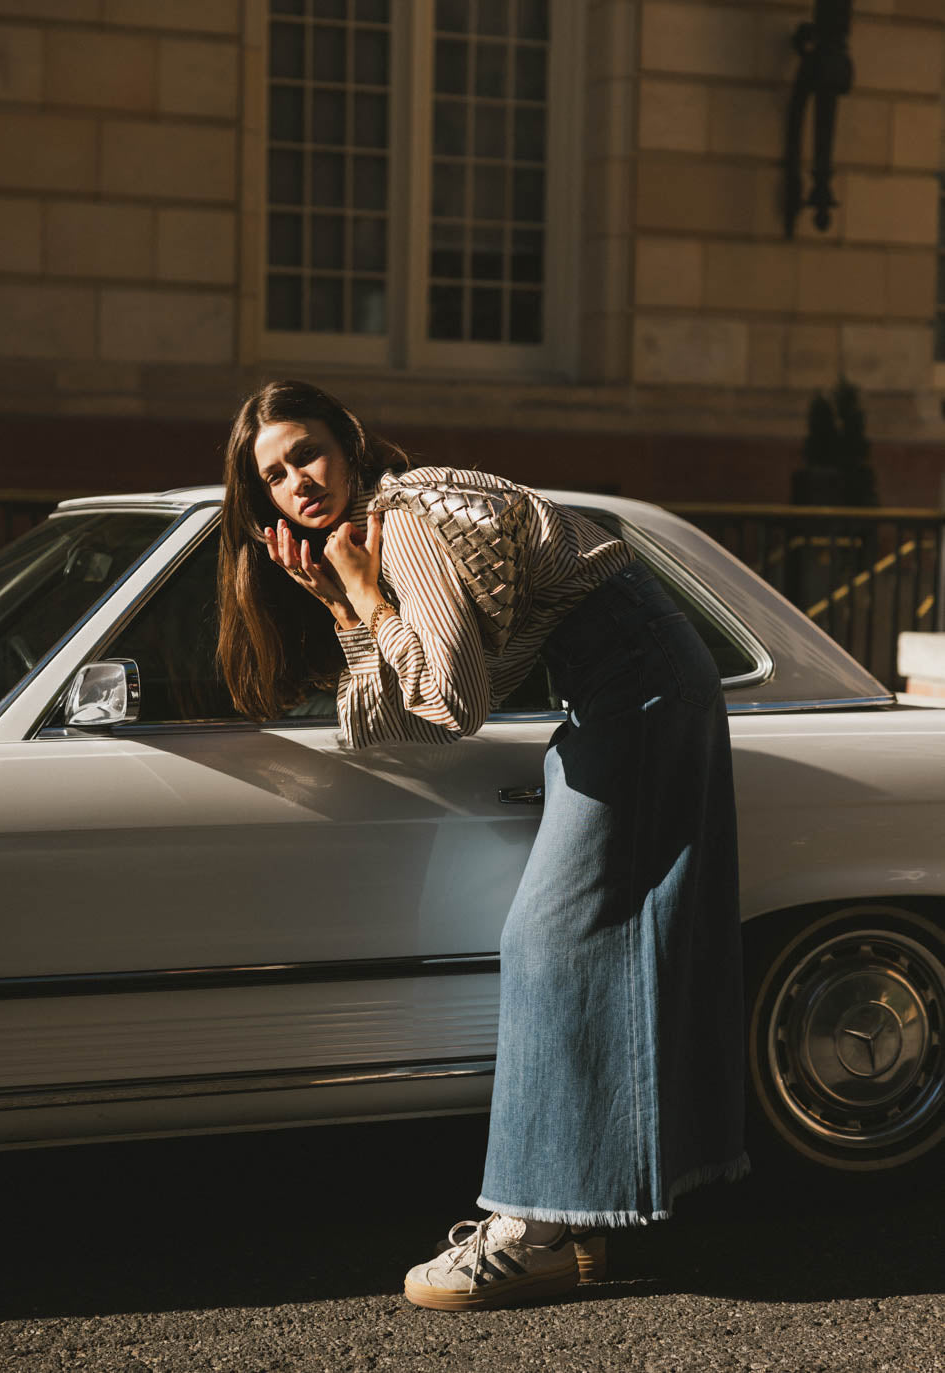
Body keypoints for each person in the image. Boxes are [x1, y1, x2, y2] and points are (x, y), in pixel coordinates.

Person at [218, 380, 748, 1312]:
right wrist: (347, 607)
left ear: (348, 445)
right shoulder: (372, 538)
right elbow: (391, 724)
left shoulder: (407, 518)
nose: (297, 481)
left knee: (548, 941)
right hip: (624, 683)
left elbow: (451, 701)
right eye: (274, 475)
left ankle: (528, 1231)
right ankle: (584, 1215)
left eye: (307, 453)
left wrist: (361, 591)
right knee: (609, 946)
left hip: (639, 681)